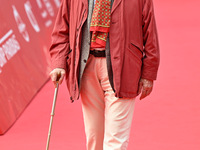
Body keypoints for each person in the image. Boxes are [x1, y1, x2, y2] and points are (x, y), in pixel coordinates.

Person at [49, 0, 160, 149]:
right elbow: (62, 28)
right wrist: (58, 63)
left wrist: (148, 73)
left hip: (123, 67)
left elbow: (149, 31)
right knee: (94, 136)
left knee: (115, 140)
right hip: (86, 67)